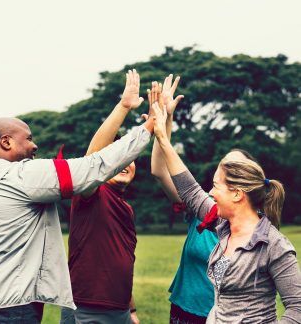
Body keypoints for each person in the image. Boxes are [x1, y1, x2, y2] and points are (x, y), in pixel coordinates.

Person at [0, 70, 155, 323]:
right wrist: (149, 125)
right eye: (28, 139)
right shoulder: (23, 174)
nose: (35, 146)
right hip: (10, 307)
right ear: (6, 142)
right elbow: (93, 166)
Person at [150, 81, 301, 323]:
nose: (210, 192)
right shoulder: (222, 227)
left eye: (216, 186)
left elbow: (297, 308)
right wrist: (162, 134)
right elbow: (189, 189)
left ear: (237, 193)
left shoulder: (274, 246)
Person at [151, 76, 257, 324]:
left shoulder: (255, 228)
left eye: (236, 169)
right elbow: (159, 170)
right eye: (225, 166)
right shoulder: (201, 205)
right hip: (184, 310)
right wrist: (165, 118)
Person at [60, 71, 147, 324]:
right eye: (114, 159)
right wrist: (123, 107)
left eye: (128, 160)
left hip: (119, 309)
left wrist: (130, 309)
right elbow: (92, 160)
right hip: (86, 309)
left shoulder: (125, 208)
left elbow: (122, 260)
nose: (123, 165)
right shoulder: (92, 192)